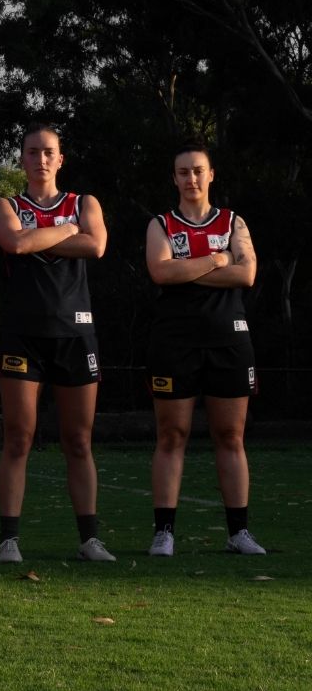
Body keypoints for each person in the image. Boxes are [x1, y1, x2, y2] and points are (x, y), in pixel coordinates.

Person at [0, 124, 115, 563]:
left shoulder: (85, 203)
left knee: (78, 440)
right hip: (23, 335)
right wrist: (65, 232)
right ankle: (9, 540)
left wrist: (45, 234)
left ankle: (89, 539)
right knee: (18, 438)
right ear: (21, 159)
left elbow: (96, 245)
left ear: (61, 159)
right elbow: (15, 241)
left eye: (49, 153)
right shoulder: (4, 204)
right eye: (32, 152)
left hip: (76, 334)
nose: (40, 159)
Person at [144, 142, 264, 556]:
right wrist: (216, 261)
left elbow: (246, 274)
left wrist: (187, 271)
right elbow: (161, 270)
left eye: (198, 170)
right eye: (183, 172)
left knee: (230, 436)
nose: (191, 179)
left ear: (211, 174)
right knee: (171, 435)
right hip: (174, 341)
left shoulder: (233, 222)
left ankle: (238, 533)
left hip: (229, 339)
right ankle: (164, 533)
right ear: (173, 178)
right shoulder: (161, 224)